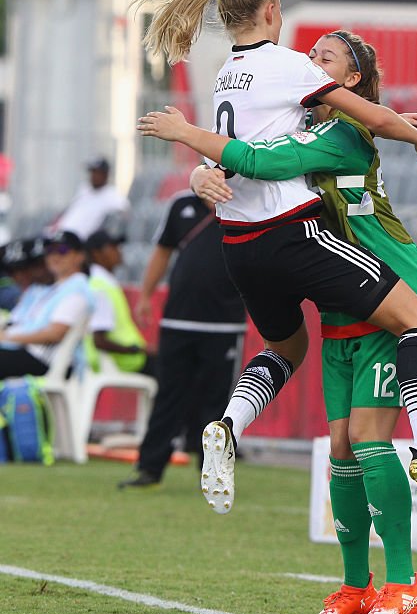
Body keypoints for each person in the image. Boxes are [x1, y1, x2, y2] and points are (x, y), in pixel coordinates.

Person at [134, 0, 417, 514]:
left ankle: (230, 424)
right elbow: (269, 152)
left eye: (326, 56)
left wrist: (198, 157)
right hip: (296, 239)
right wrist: (416, 137)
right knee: (409, 341)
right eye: (314, 52)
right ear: (273, 12)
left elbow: (276, 140)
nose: (313, 57)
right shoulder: (292, 78)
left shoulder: (230, 76)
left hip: (244, 244)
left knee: (294, 356)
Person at [118, 192, 247, 489]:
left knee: (217, 402)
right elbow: (162, 252)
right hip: (178, 319)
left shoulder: (245, 201)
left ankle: (214, 475)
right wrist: (146, 295)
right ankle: (149, 467)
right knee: (168, 396)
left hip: (225, 324)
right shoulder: (180, 205)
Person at [0, 231, 93, 379]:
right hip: (25, 352)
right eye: (50, 251)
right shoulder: (52, 289)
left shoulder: (77, 289)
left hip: (44, 360)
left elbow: (55, 334)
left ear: (80, 256)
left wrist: (7, 338)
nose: (55, 256)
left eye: (62, 250)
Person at [84, 230, 153, 376]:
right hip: (125, 361)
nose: (118, 251)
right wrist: (135, 350)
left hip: (125, 359)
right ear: (96, 254)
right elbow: (99, 341)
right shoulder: (100, 288)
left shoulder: (102, 283)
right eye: (112, 247)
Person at [51, 158, 130, 240]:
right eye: (92, 172)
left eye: (96, 173)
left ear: (105, 174)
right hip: (59, 235)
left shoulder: (112, 195)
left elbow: (125, 212)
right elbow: (69, 211)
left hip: (78, 242)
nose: (93, 176)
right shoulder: (84, 189)